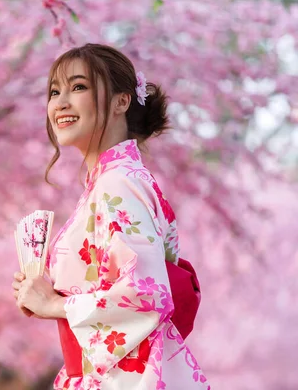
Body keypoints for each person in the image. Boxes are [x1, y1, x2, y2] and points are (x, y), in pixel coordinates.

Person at [11, 44, 209, 389]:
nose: (60, 102)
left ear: (121, 101)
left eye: (78, 87)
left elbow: (147, 295)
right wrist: (46, 295)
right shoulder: (110, 182)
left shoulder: (119, 183)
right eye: (55, 91)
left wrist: (55, 305)